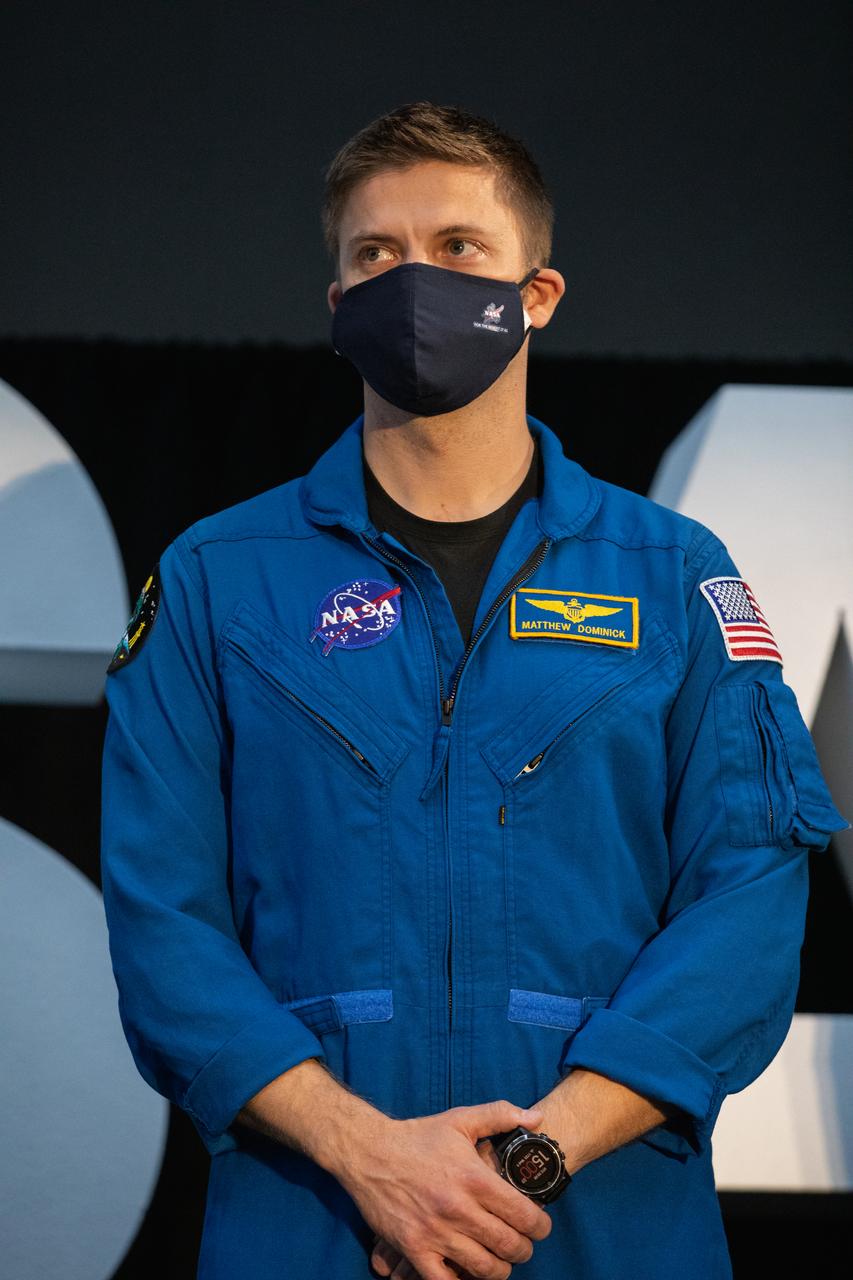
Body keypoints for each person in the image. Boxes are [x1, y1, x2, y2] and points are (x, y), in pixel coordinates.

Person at [99, 102, 848, 1280]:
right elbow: (161, 921)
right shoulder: (215, 579)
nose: (413, 280)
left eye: (457, 248)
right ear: (339, 306)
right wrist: (371, 1157)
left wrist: (530, 1160)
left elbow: (748, 898)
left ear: (537, 294)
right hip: (315, 1223)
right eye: (375, 255)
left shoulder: (675, 572)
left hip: (605, 1225)